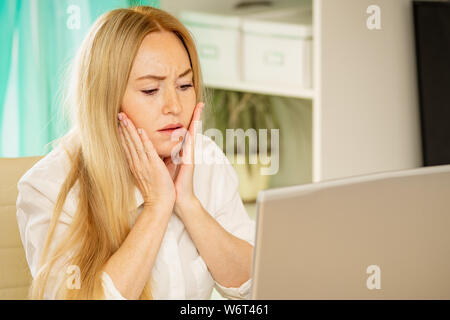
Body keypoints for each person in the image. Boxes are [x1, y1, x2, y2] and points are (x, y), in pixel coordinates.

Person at [16, 6, 255, 300]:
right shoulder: (48, 189)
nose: (174, 106)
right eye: (151, 90)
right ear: (106, 99)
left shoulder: (203, 156)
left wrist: (188, 203)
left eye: (184, 85)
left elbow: (250, 284)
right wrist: (157, 207)